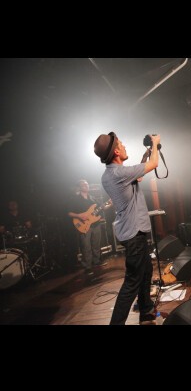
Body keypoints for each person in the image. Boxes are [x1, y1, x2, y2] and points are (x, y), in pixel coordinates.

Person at [94, 131, 160, 325]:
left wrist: (145, 155)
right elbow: (154, 164)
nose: (124, 146)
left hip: (130, 231)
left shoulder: (110, 174)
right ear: (116, 152)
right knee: (132, 282)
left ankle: (146, 311)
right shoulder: (120, 173)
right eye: (121, 144)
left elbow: (136, 177)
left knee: (146, 270)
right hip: (134, 233)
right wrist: (155, 144)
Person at [67, 180, 111, 275]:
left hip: (96, 224)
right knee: (86, 247)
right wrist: (79, 216)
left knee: (96, 245)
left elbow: (102, 208)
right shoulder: (75, 199)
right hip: (83, 225)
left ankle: (96, 262)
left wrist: (110, 204)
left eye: (87, 184)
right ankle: (88, 267)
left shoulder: (93, 198)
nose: (86, 186)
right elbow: (69, 213)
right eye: (84, 184)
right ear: (79, 187)